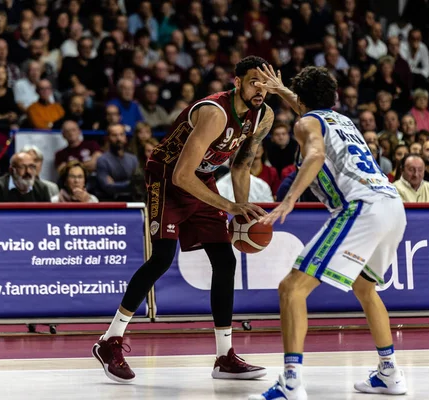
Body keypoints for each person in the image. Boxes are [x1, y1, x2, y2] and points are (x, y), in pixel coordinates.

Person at [92, 56, 275, 383]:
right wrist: (228, 206)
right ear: (237, 82)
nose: (259, 89)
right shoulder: (215, 113)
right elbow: (180, 175)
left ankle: (224, 357)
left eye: (265, 83)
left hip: (201, 178)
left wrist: (242, 208)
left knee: (224, 259)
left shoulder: (262, 115)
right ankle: (109, 341)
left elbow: (241, 165)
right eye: (253, 82)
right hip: (167, 176)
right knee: (162, 258)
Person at [250, 66, 407, 400]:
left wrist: (290, 198)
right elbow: (309, 111)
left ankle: (291, 382)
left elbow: (316, 153)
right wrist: (282, 90)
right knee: (365, 287)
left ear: (301, 99)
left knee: (291, 288)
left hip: (361, 206)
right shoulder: (342, 120)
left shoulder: (305, 123)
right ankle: (390, 373)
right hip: (392, 204)